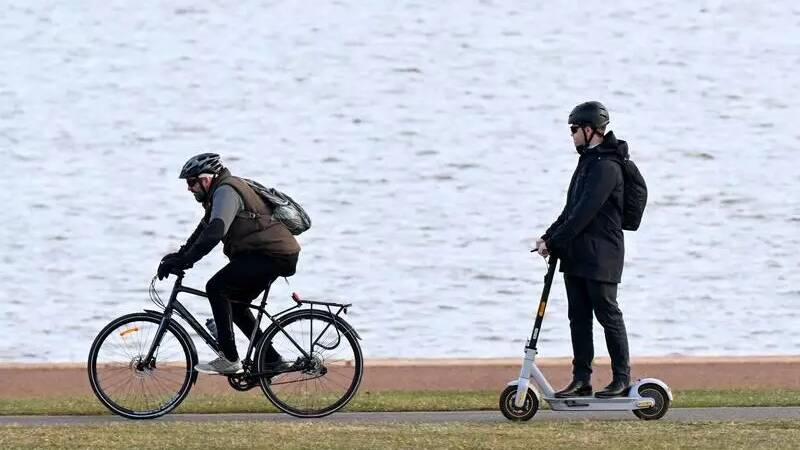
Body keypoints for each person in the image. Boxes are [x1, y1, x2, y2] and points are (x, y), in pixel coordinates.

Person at [158, 153, 301, 374]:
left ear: (205, 179)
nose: (188, 189)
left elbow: (215, 232)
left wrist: (186, 261)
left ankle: (230, 358)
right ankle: (271, 359)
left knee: (216, 287)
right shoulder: (219, 193)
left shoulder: (226, 191)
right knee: (235, 304)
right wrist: (180, 255)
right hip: (268, 254)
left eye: (191, 183)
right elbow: (204, 229)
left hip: (272, 255)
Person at [535, 101, 632, 398]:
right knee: (578, 318)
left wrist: (556, 241)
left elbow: (584, 213)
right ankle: (582, 380)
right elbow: (570, 210)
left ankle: (621, 379)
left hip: (602, 255)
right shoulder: (588, 162)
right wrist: (548, 237)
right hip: (577, 254)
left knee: (608, 315)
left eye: (574, 129)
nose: (572, 135)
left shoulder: (607, 167)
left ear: (590, 130)